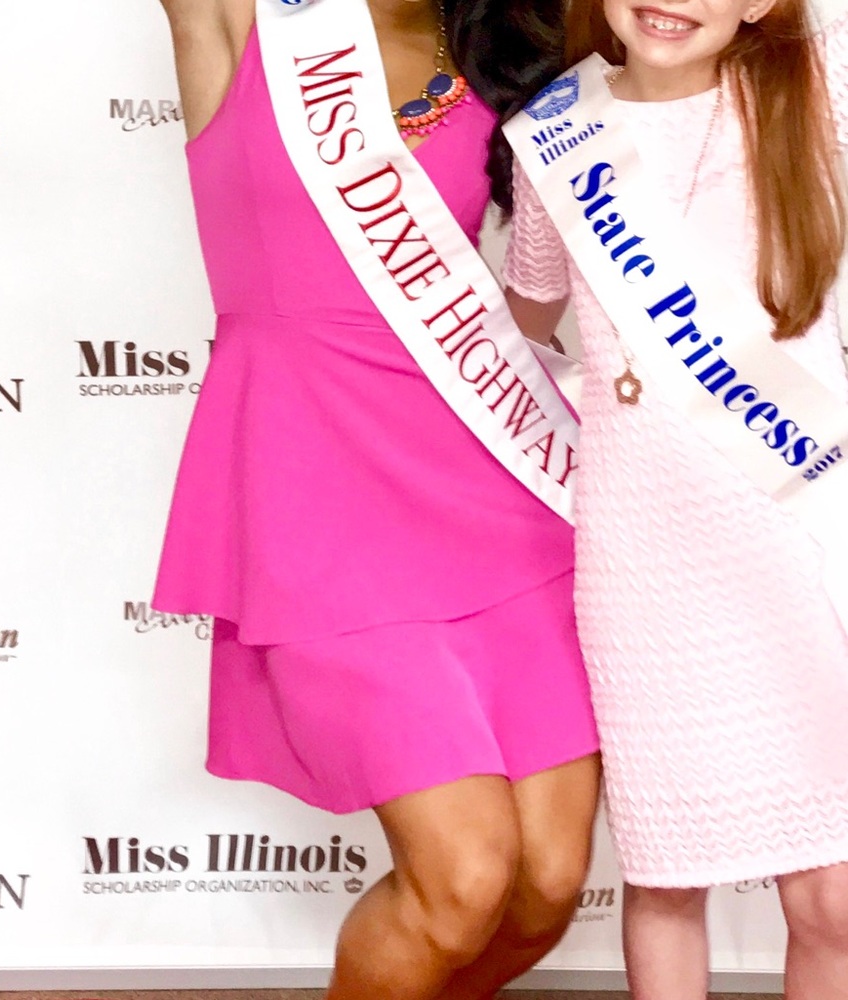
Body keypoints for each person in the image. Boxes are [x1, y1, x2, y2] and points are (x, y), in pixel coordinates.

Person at [152, 0, 601, 995]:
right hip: (314, 503)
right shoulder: (240, 22)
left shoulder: (490, 45)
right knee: (462, 876)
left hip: (499, 493)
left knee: (545, 886)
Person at [503, 0, 848, 997]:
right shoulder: (554, 137)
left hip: (795, 535)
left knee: (830, 894)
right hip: (640, 562)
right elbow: (523, 327)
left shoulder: (807, 100)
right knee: (665, 882)